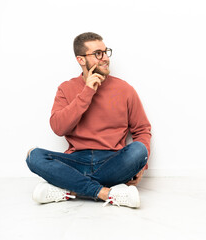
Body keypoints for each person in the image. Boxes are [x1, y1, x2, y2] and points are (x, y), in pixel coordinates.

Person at [26, 32, 151, 208]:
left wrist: (141, 166)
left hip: (112, 162)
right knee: (34, 156)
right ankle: (105, 192)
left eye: (106, 52)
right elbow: (58, 128)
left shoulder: (125, 89)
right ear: (81, 60)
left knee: (139, 150)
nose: (105, 58)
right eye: (98, 54)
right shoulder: (66, 88)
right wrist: (87, 92)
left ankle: (71, 189)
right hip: (76, 161)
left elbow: (142, 130)